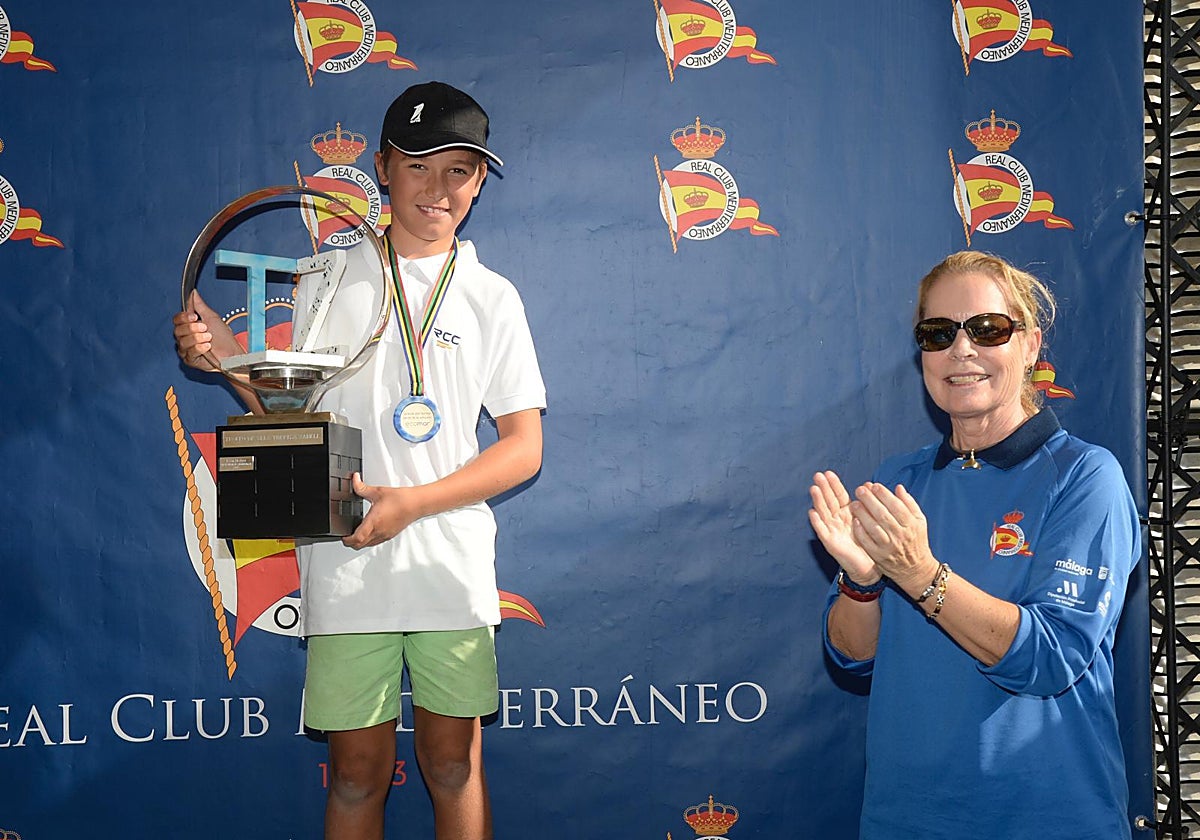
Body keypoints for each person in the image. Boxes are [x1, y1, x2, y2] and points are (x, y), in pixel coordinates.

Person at [173, 81, 546, 840]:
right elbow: (293, 423)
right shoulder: (327, 277)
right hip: (345, 558)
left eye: (460, 170)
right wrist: (223, 361)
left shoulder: (493, 297)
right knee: (354, 775)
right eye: (418, 166)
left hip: (449, 565)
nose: (439, 189)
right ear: (381, 167)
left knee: (453, 767)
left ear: (480, 181)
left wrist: (413, 502)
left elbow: (523, 449)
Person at [809, 251, 1140, 839]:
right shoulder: (897, 481)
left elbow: (1051, 658)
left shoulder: (1086, 477)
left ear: (1031, 345)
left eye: (987, 329)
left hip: (1046, 821)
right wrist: (861, 582)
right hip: (905, 821)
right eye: (938, 334)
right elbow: (853, 659)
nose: (961, 350)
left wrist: (919, 575)